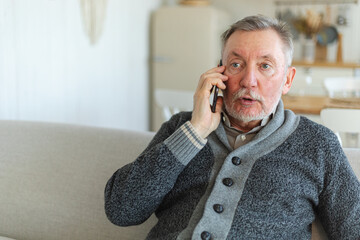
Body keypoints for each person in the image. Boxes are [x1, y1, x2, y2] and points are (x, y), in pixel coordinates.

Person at [105, 15, 360, 239]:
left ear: (287, 79)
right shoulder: (181, 128)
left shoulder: (318, 144)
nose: (249, 81)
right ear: (219, 72)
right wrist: (195, 131)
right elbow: (121, 210)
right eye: (236, 64)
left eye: (265, 66)